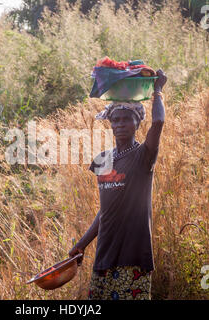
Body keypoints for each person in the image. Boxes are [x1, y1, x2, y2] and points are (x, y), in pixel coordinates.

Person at [69, 69, 167, 300]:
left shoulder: (144, 156)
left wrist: (158, 90)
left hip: (133, 257)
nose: (120, 124)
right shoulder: (102, 160)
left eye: (126, 119)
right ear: (110, 124)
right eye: (115, 120)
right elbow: (106, 210)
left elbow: (159, 122)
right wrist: (82, 245)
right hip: (104, 256)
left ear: (137, 123)